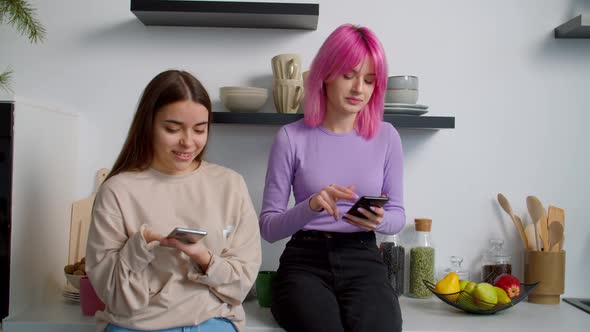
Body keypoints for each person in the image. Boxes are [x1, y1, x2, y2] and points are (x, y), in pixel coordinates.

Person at [86, 70, 261, 332]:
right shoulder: (117, 191)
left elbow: (242, 283)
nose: (188, 142)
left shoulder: (231, 185)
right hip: (136, 325)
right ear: (148, 124)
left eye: (200, 130)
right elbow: (112, 294)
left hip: (212, 321)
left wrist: (204, 258)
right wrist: (141, 244)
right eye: (172, 128)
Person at [260, 24, 405, 332]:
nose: (359, 89)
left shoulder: (387, 137)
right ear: (325, 74)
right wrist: (310, 205)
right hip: (305, 261)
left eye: (369, 80)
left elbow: (398, 216)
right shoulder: (290, 137)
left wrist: (377, 221)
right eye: (348, 75)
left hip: (363, 257)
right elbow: (269, 228)